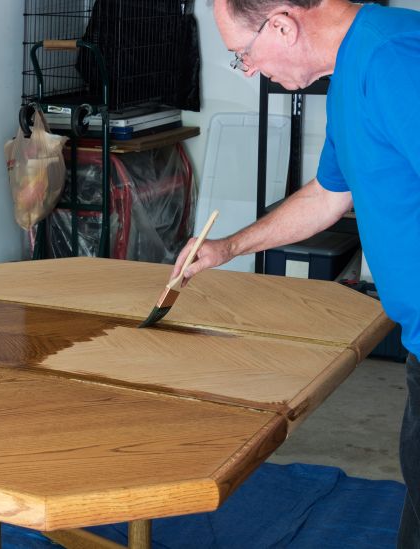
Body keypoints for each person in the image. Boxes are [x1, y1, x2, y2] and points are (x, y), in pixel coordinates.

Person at [171, 0, 420, 546]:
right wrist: (229, 246)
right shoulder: (353, 67)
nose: (251, 69)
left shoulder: (396, 60)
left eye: (243, 55)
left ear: (282, 25)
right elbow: (329, 194)